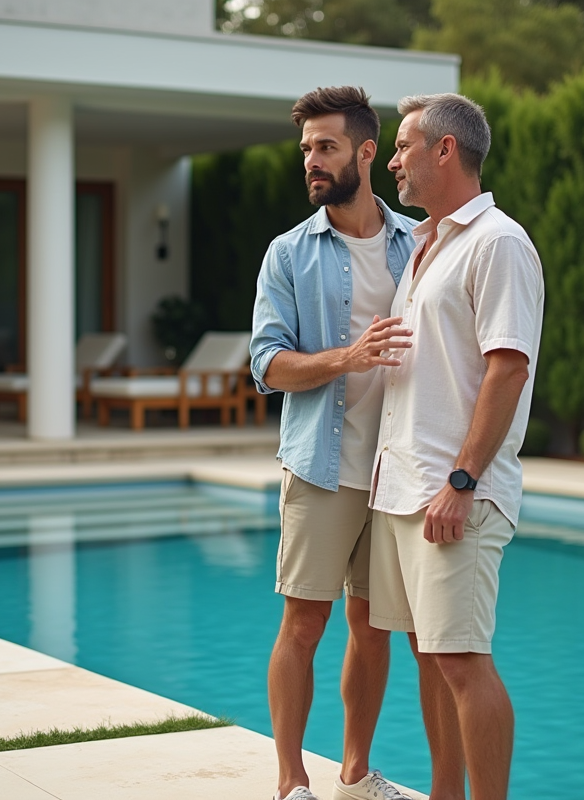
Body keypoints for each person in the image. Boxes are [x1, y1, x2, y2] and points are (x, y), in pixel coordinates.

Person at [369, 93, 544, 800]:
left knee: (464, 661)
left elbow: (509, 368)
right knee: (430, 656)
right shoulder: (427, 245)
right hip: (405, 488)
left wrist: (463, 481)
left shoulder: (498, 242)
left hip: (456, 494)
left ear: (445, 149)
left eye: (402, 146)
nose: (392, 161)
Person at [250, 86, 419, 800]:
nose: (311, 161)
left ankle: (354, 772)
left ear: (367, 151)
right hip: (321, 467)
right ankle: (291, 783)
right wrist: (345, 359)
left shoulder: (422, 243)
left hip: (397, 471)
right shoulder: (289, 252)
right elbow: (266, 364)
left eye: (326, 147)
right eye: (306, 149)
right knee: (303, 622)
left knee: (374, 627)